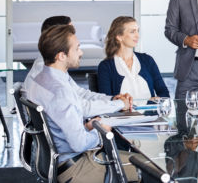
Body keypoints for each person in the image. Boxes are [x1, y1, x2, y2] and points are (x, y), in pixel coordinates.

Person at [25, 25, 138, 183]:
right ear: (61, 56)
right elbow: (79, 144)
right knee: (144, 166)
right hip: (76, 168)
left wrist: (88, 126)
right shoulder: (60, 90)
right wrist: (102, 131)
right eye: (77, 48)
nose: (81, 52)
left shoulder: (41, 79)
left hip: (60, 162)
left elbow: (63, 121)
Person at [23, 15, 130, 117]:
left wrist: (111, 99)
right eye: (70, 31)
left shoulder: (52, 67)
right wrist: (119, 104)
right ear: (57, 36)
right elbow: (81, 107)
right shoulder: (47, 73)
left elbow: (79, 93)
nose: (75, 36)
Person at [98, 16, 169, 100]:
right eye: (132, 32)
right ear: (119, 37)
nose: (137, 36)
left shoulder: (147, 60)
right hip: (123, 113)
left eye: (137, 31)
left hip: (150, 112)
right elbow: (106, 100)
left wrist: (158, 99)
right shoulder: (106, 66)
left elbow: (164, 92)